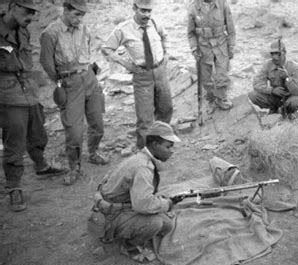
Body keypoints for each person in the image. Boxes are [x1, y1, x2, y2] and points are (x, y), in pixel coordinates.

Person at [1, 0, 66, 212]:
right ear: (12, 6)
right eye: (27, 11)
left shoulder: (23, 31)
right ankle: (14, 187)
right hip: (7, 95)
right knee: (15, 140)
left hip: (28, 90)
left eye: (33, 13)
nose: (30, 17)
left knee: (37, 132)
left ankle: (41, 165)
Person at [40, 0, 108, 186]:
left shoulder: (84, 29)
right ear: (66, 9)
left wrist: (90, 75)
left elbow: (87, 52)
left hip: (89, 78)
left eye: (82, 15)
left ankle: (93, 153)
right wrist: (63, 80)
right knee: (74, 130)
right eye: (76, 14)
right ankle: (74, 166)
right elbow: (47, 64)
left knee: (97, 123)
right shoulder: (50, 33)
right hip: (70, 83)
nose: (80, 19)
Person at [91, 121, 181, 263]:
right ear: (155, 145)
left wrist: (161, 202)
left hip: (118, 206)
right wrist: (167, 204)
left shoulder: (141, 157)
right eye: (168, 146)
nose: (171, 151)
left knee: (167, 226)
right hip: (108, 216)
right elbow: (143, 205)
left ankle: (132, 229)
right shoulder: (143, 168)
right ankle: (129, 246)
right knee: (155, 224)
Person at [101, 0, 172, 149]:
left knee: (165, 109)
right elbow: (107, 49)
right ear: (134, 8)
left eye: (149, 11)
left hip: (160, 72)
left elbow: (165, 36)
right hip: (142, 76)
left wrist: (166, 54)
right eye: (143, 10)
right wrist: (126, 64)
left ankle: (161, 143)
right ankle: (144, 152)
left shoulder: (155, 22)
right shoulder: (123, 29)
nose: (147, 14)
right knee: (145, 118)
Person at [187, 0, 236, 112]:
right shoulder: (193, 7)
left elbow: (231, 28)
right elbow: (191, 34)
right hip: (203, 47)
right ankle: (211, 99)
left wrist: (231, 46)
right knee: (205, 77)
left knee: (222, 74)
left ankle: (221, 98)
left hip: (221, 44)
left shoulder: (222, 4)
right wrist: (194, 48)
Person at [248, 40, 298, 118]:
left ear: (284, 52)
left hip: (289, 97)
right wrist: (272, 90)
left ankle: (287, 112)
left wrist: (287, 78)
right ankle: (273, 108)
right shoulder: (268, 65)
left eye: (277, 53)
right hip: (274, 96)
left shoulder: (293, 67)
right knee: (253, 95)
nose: (274, 57)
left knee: (297, 100)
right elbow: (257, 83)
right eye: (272, 53)